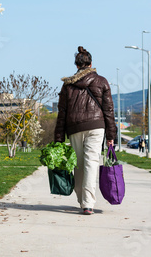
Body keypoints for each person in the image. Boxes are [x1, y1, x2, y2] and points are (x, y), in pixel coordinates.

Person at [54, 46, 117, 215]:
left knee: (79, 164)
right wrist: (111, 135)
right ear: (90, 64)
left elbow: (62, 113)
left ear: (77, 66)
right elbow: (108, 111)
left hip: (74, 127)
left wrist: (58, 138)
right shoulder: (102, 81)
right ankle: (88, 203)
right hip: (97, 126)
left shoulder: (67, 85)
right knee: (91, 163)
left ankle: (83, 199)